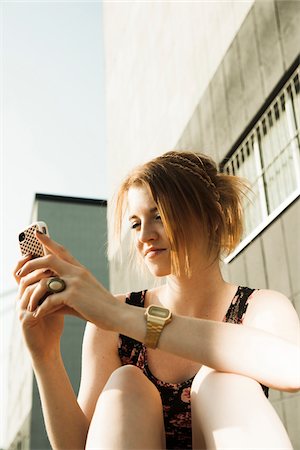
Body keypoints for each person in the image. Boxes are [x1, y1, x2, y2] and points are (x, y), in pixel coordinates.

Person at [14, 150, 300, 450]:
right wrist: (45, 357)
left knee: (222, 382)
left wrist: (120, 315)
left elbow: (293, 368)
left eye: (160, 216)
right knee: (127, 384)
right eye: (136, 223)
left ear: (211, 217)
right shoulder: (111, 323)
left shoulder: (261, 308)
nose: (145, 235)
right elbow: (79, 446)